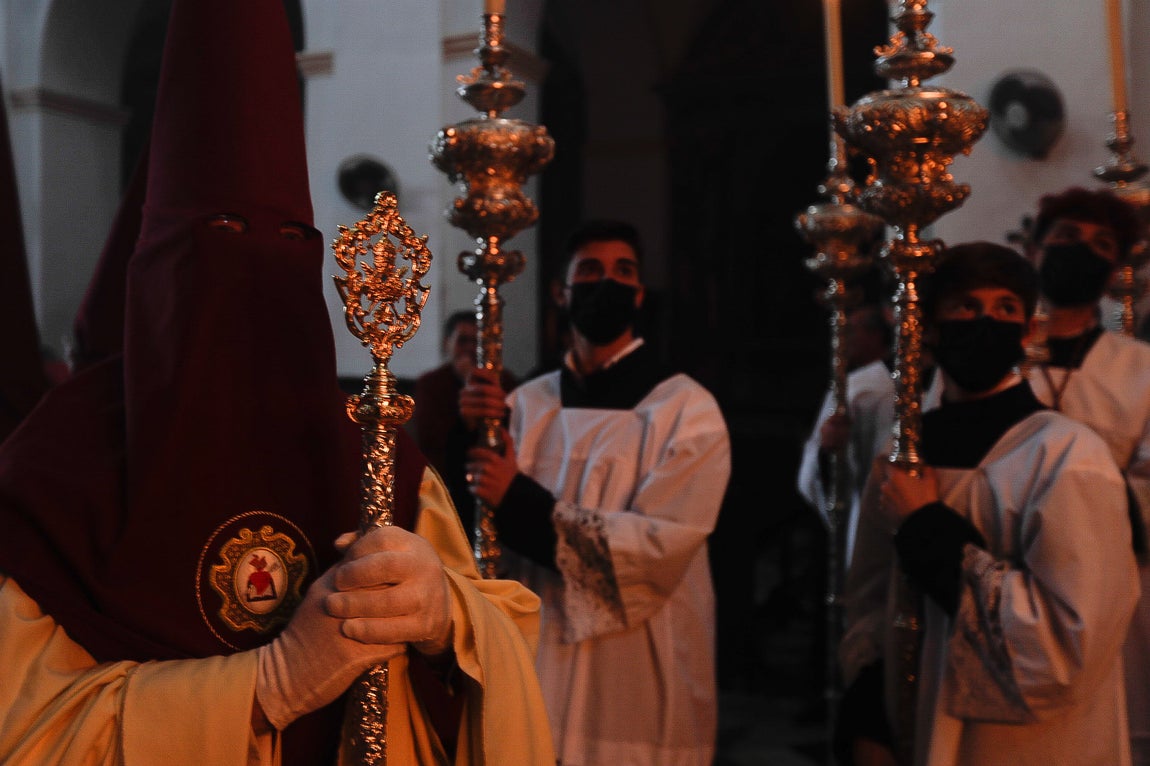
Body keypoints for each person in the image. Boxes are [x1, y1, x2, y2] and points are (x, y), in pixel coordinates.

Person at [0, 0, 555, 764]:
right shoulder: (58, 465)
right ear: (153, 270)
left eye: (291, 242)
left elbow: (502, 639)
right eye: (221, 235)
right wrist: (267, 685)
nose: (255, 269)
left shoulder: (370, 449)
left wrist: (445, 615)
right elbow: (24, 727)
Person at [838, 241, 1140, 765]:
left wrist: (925, 526)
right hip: (908, 723)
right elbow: (870, 601)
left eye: (1005, 309)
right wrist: (869, 719)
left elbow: (1065, 644)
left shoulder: (1065, 454)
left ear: (1028, 333)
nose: (985, 322)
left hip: (1020, 743)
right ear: (929, 327)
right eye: (965, 306)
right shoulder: (905, 450)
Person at [460, 218, 732, 765]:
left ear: (638, 294)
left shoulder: (686, 410)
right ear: (561, 291)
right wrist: (465, 435)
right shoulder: (525, 404)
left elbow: (655, 549)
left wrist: (519, 500)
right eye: (589, 270)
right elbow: (479, 530)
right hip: (535, 654)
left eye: (622, 271)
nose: (606, 282)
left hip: (634, 665)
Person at [1024, 185, 1150, 765]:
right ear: (1034, 249)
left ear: (1116, 270)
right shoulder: (993, 349)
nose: (1082, 251)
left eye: (1102, 245)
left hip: (1108, 577)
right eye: (1067, 237)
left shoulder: (1139, 367)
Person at [409, 309, 516, 541]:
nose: (470, 349)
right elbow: (431, 440)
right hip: (444, 486)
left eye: (477, 342)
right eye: (463, 340)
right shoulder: (431, 384)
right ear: (448, 344)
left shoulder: (506, 382)